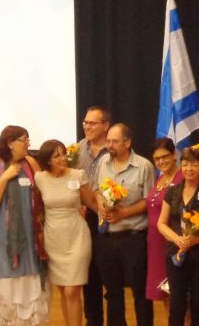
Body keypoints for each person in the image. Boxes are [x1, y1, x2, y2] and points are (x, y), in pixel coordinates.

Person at [0, 125, 49, 325]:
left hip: (31, 241)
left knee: (32, 298)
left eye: (28, 139)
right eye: (24, 139)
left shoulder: (31, 163)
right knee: (8, 300)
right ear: (10, 143)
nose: (28, 143)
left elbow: (45, 195)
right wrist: (5, 178)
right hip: (5, 243)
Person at [93, 123, 155, 326]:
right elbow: (96, 191)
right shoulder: (103, 162)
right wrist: (100, 204)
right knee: (112, 292)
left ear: (127, 143)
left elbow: (149, 201)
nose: (109, 145)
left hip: (133, 238)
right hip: (106, 237)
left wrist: (124, 213)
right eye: (108, 141)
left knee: (140, 292)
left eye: (114, 141)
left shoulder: (144, 166)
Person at [157, 146, 199, 326]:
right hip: (176, 254)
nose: (189, 168)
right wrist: (177, 239)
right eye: (185, 164)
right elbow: (161, 223)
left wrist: (196, 239)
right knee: (177, 303)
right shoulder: (173, 191)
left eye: (194, 164)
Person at [35, 139, 97, 326]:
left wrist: (109, 212)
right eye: (57, 156)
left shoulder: (78, 175)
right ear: (47, 160)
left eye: (64, 154)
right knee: (63, 290)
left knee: (72, 290)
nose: (63, 158)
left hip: (77, 236)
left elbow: (91, 203)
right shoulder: (40, 178)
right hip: (53, 239)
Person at [77, 105, 111, 326]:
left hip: (112, 217)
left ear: (105, 126)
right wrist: (78, 203)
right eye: (85, 122)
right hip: (85, 217)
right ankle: (93, 321)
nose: (87, 126)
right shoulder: (77, 149)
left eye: (92, 123)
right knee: (89, 275)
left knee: (110, 273)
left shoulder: (115, 148)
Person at [146, 137, 184, 309]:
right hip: (155, 244)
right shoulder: (159, 179)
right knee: (165, 294)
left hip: (174, 242)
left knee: (180, 296)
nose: (161, 161)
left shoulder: (183, 177)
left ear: (174, 154)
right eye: (157, 158)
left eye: (165, 156)